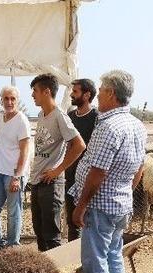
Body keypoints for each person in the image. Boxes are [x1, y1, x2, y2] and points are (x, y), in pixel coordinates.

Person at [68, 70, 146, 273]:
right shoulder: (136, 124)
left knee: (95, 259)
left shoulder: (108, 126)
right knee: (113, 253)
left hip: (100, 206)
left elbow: (98, 172)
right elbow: (139, 168)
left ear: (111, 93)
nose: (98, 93)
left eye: (101, 89)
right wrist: (125, 192)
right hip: (120, 204)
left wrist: (81, 206)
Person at [30, 73, 86, 251]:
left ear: (46, 92)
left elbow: (79, 145)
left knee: (51, 235)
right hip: (38, 180)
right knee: (39, 230)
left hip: (51, 182)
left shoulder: (59, 116)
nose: (32, 95)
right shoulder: (41, 114)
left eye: (35, 91)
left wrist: (57, 170)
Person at [0, 86, 32, 252]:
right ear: (1, 100)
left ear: (17, 101)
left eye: (13, 99)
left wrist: (17, 176)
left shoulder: (22, 121)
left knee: (13, 212)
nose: (9, 102)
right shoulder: (0, 116)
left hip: (13, 174)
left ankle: (12, 247)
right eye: (6, 99)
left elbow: (25, 151)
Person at [66, 79, 99, 241]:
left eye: (75, 92)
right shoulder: (70, 117)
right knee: (72, 221)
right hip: (70, 175)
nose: (72, 94)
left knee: (88, 219)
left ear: (87, 95)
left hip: (88, 177)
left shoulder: (97, 118)